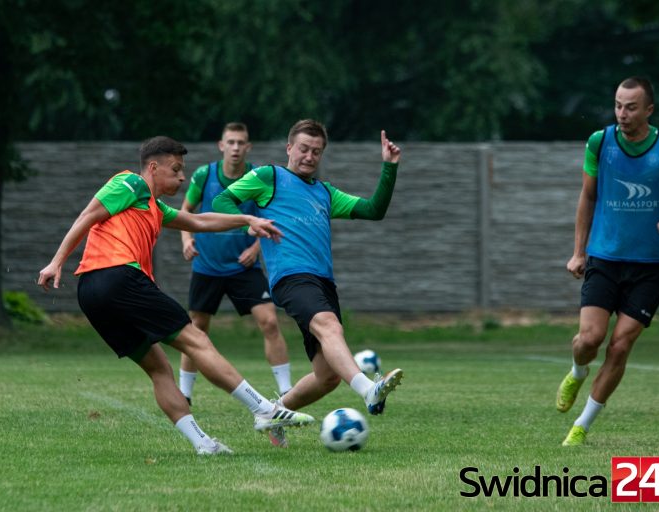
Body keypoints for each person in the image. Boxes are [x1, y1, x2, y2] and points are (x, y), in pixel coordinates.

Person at [37, 136, 314, 456]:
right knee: (196, 340)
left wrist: (247, 219)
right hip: (118, 276)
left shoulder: (153, 207)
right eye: (176, 169)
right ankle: (263, 408)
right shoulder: (130, 183)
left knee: (159, 368)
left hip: (91, 293)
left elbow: (197, 220)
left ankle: (203, 443)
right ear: (152, 168)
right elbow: (89, 214)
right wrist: (57, 261)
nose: (182, 177)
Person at [213, 119, 404, 447]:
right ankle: (368, 391)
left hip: (323, 283)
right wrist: (249, 221)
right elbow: (221, 202)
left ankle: (273, 412)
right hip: (290, 277)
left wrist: (389, 167)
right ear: (289, 148)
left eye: (316, 151)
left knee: (327, 376)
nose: (309, 156)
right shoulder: (268, 177)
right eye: (303, 149)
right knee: (329, 326)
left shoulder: (325, 193)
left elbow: (374, 210)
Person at [557, 77, 659, 446]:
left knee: (620, 346)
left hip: (651, 266)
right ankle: (577, 371)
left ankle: (581, 426)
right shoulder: (600, 142)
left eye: (631, 107)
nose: (622, 114)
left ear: (649, 111)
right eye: (618, 106)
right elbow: (587, 197)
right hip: (605, 258)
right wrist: (579, 251)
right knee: (589, 340)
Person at [178, 122, 292, 405]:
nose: (236, 148)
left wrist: (256, 247)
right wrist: (186, 240)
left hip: (244, 268)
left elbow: (268, 220)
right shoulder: (205, 175)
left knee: (269, 321)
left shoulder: (256, 177)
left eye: (241, 142)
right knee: (196, 328)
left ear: (248, 147)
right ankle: (185, 394)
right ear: (221, 145)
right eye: (231, 142)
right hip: (207, 267)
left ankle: (287, 392)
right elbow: (185, 211)